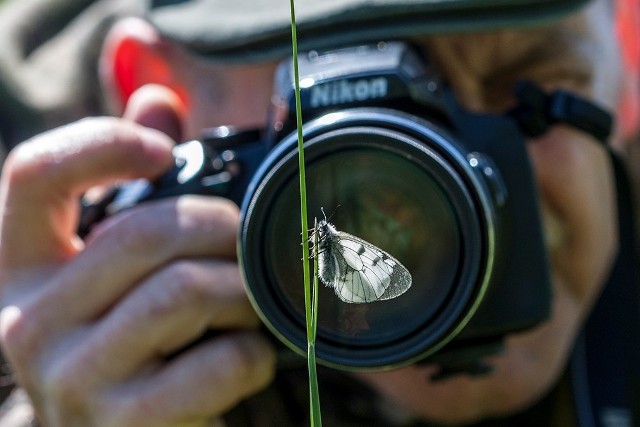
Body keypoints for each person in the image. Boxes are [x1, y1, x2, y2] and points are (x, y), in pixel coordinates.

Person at [0, 0, 637, 425]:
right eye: (365, 126)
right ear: (163, 93)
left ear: (625, 75)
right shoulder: (33, 262)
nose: (451, 176)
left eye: (531, 79)